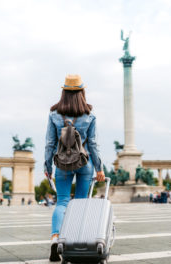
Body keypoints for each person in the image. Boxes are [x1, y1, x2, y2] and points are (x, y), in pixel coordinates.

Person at [44, 74, 105, 262]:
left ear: (64, 92)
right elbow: (93, 144)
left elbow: (49, 143)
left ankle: (56, 237)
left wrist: (47, 165)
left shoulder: (54, 114)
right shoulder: (89, 115)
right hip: (84, 163)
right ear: (82, 91)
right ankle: (73, 240)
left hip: (62, 164)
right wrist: (99, 168)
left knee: (62, 202)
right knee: (79, 204)